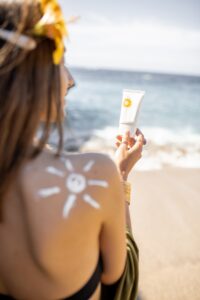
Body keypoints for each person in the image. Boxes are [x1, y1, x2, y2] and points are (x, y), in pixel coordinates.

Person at [0, 0, 146, 299]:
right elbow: (121, 281)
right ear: (28, 70)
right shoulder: (96, 175)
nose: (70, 79)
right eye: (60, 60)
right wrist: (119, 177)